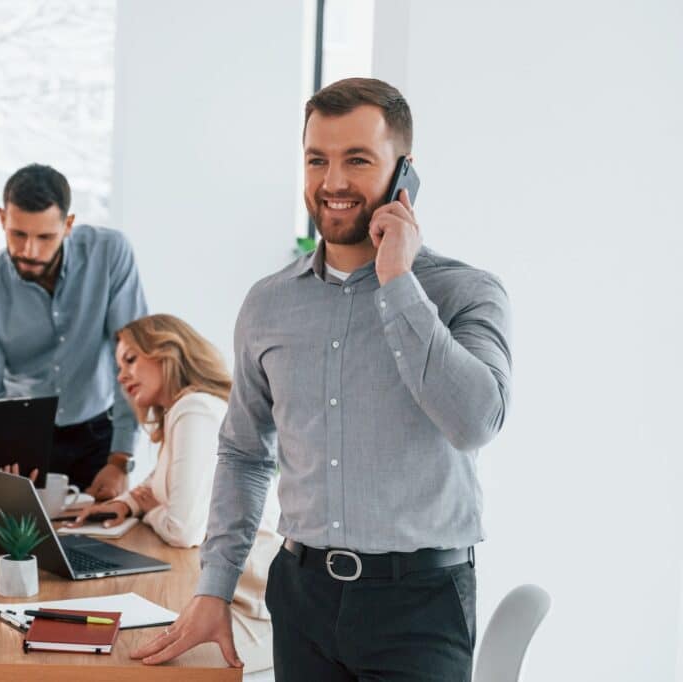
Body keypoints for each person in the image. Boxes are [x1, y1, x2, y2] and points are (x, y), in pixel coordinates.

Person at [132, 78, 512, 680]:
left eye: (357, 160)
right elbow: (243, 453)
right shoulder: (268, 304)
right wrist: (215, 586)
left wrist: (398, 284)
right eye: (317, 160)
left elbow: (475, 422)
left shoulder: (466, 292)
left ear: (404, 173)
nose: (332, 182)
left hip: (420, 603)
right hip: (302, 596)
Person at [67, 314, 280, 672]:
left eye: (130, 359)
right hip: (224, 594)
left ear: (167, 351)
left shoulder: (194, 410)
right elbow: (157, 481)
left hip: (246, 609)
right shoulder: (183, 410)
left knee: (128, 656)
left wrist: (151, 511)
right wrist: (129, 502)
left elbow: (183, 530)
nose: (121, 376)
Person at [0, 164, 147, 500]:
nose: (29, 251)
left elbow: (134, 357)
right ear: (2, 219)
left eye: (45, 237)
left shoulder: (109, 254)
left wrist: (121, 459)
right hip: (22, 440)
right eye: (18, 234)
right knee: (19, 547)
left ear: (68, 225)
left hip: (99, 435)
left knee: (99, 544)